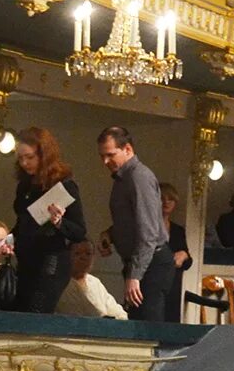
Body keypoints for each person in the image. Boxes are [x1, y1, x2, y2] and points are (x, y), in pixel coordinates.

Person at [99, 126, 173, 321]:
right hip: (143, 262)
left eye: (110, 155)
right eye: (102, 156)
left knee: (147, 332)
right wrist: (110, 234)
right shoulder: (124, 178)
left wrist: (135, 275)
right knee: (138, 327)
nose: (105, 161)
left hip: (151, 265)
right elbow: (132, 222)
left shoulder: (138, 177)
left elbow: (148, 233)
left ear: (128, 150)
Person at [10, 126, 85, 314]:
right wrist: (8, 239)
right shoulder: (25, 185)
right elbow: (24, 223)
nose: (24, 163)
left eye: (30, 157)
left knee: (37, 311)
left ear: (44, 155)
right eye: (20, 158)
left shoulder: (64, 185)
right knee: (21, 311)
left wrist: (59, 222)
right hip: (27, 260)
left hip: (51, 260)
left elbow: (79, 231)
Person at [56, 238, 126, 318]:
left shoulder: (95, 283)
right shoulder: (58, 283)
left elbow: (117, 312)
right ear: (68, 256)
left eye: (88, 254)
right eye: (77, 253)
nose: (83, 257)